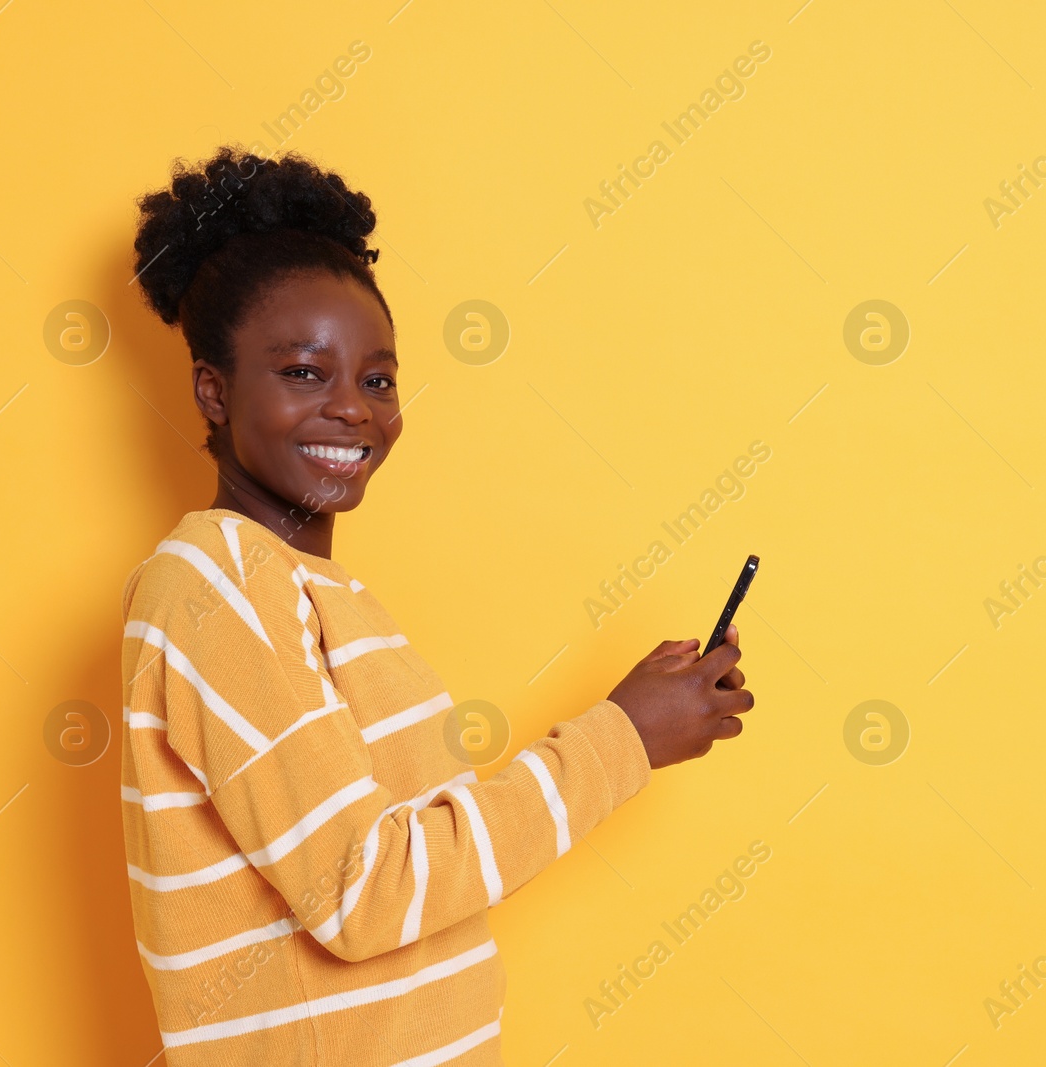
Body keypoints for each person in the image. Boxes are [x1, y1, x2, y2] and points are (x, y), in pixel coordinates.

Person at [121, 147, 754, 1066]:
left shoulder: (315, 593)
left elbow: (402, 868)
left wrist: (639, 716)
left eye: (377, 379)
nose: (353, 410)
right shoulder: (210, 583)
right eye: (304, 372)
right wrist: (624, 737)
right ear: (212, 390)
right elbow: (364, 890)